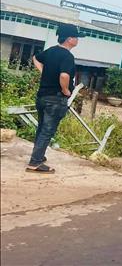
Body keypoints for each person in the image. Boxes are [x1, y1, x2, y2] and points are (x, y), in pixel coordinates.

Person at [26, 24, 84, 174]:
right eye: (76, 37)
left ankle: (37, 156)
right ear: (70, 39)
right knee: (47, 131)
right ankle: (35, 163)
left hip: (42, 97)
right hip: (55, 99)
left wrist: (44, 72)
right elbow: (64, 76)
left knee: (41, 128)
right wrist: (65, 90)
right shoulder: (67, 56)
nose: (78, 40)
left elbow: (35, 58)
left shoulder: (51, 51)